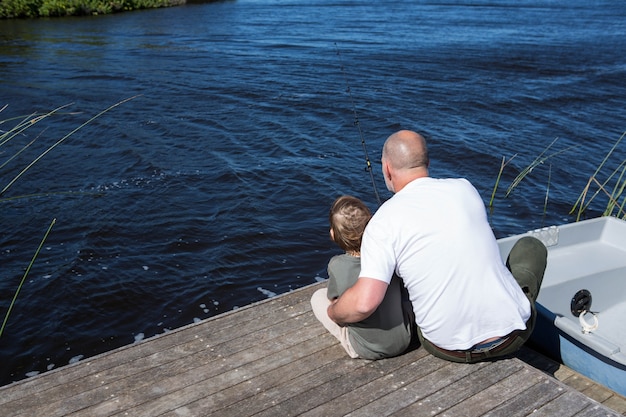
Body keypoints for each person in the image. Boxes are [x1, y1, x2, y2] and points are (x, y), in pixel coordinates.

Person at [327, 130, 547, 363]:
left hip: (447, 347)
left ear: (387, 168)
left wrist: (334, 311)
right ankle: (511, 309)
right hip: (512, 337)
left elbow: (364, 304)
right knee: (531, 247)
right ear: (428, 163)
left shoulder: (382, 222)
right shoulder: (465, 189)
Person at [311, 195, 413, 360]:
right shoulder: (389, 254)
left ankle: (352, 347)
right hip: (405, 338)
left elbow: (335, 301)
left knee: (318, 297)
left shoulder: (337, 265)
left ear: (333, 234)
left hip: (369, 348)